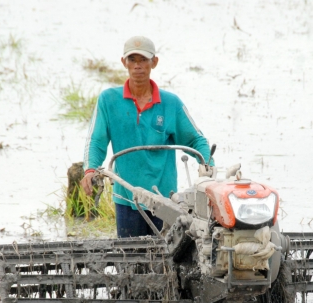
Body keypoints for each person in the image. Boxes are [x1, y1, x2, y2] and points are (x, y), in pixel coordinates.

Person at [80, 36, 213, 238]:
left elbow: (195, 140)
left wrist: (207, 164)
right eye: (132, 60)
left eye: (143, 60)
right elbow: (96, 141)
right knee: (129, 259)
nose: (137, 66)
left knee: (165, 260)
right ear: (124, 62)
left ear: (154, 62)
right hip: (126, 197)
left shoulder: (171, 104)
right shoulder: (108, 100)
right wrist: (90, 170)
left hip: (165, 200)